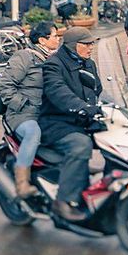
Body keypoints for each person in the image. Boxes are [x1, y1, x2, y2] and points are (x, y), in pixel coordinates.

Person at [39, 27, 102, 222]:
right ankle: (63, 201)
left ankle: (93, 184)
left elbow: (98, 89)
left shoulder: (88, 64)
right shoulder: (53, 65)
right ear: (74, 46)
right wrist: (82, 107)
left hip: (80, 118)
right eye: (87, 44)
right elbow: (59, 93)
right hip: (56, 122)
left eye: (92, 43)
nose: (91, 47)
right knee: (80, 145)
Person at [0, 21, 59, 198]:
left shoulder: (53, 58)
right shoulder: (24, 57)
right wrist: (25, 105)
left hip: (45, 113)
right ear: (42, 40)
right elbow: (4, 86)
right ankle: (22, 182)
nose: (58, 39)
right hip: (22, 114)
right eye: (55, 36)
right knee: (33, 133)